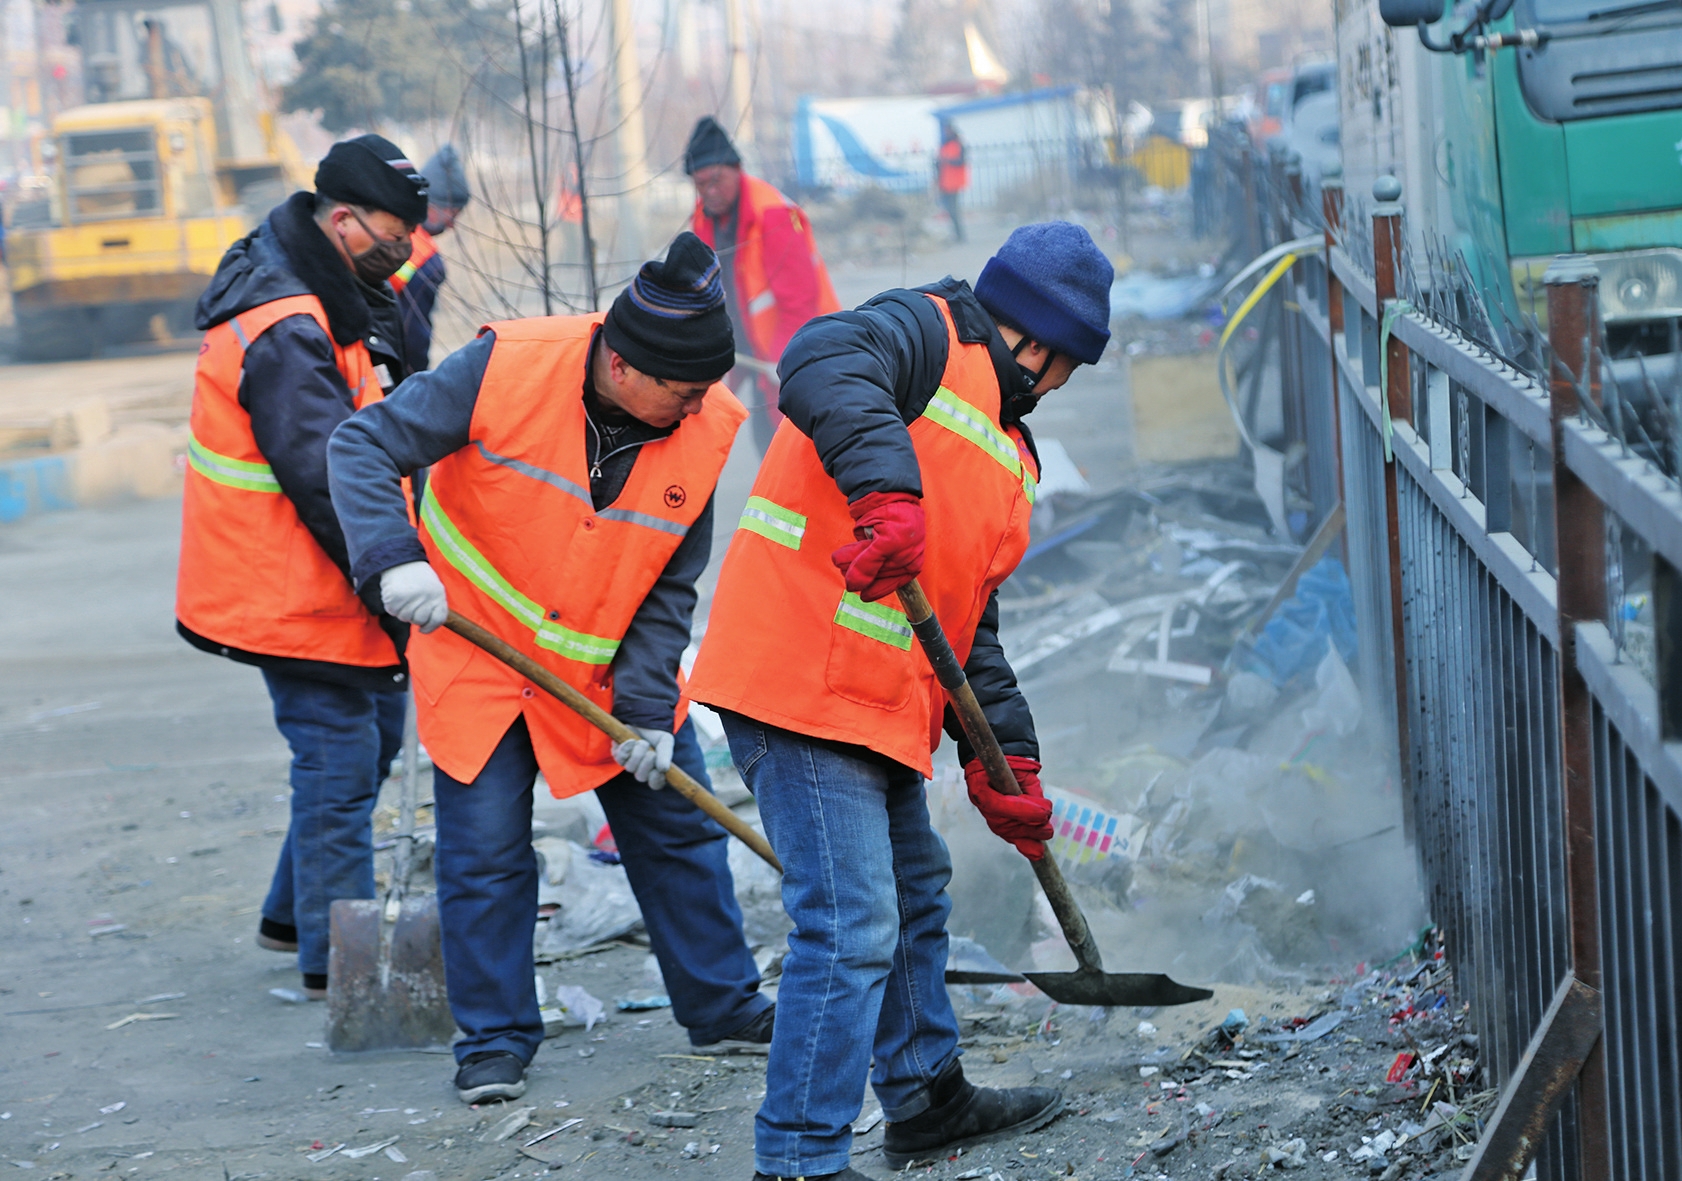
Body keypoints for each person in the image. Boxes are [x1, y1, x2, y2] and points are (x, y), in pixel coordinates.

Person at [690, 221, 1115, 1181]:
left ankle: (925, 1093)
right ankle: (798, 1158)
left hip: (875, 702)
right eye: (1064, 366)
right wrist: (887, 489)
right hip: (795, 678)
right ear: (1037, 341)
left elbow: (973, 626)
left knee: (916, 892)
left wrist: (1005, 758)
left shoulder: (1012, 456)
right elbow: (817, 355)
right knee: (849, 924)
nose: (1057, 387)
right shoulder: (923, 331)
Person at [327, 233, 774, 1105]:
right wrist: (392, 557)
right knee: (485, 854)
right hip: (478, 654)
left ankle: (723, 1007)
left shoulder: (706, 424)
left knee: (677, 829)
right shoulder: (507, 365)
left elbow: (667, 578)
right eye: (683, 390)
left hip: (604, 669)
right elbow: (361, 445)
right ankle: (493, 1039)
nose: (696, 407)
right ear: (624, 362)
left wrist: (648, 710)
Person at [175, 134, 430, 1000]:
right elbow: (326, 476)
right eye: (396, 231)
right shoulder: (287, 324)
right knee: (338, 754)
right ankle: (336, 963)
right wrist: (392, 578)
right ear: (345, 219)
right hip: (283, 584)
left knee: (373, 738)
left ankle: (294, 914)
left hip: (311, 575)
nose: (407, 247)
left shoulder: (337, 287)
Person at [686, 116, 841, 454]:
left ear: (736, 169)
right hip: (747, 353)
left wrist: (784, 360)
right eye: (700, 185)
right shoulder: (704, 216)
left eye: (716, 181)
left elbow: (799, 302)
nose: (709, 192)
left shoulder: (772, 216)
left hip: (795, 352)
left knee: (791, 448)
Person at [391, 144, 470, 372]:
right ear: (432, 205)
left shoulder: (384, 227)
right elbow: (414, 335)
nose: (452, 225)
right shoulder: (427, 261)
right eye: (452, 214)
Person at [936, 122, 969, 243]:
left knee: (953, 209)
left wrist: (948, 160)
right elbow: (938, 165)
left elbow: (961, 161)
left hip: (955, 182)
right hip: (945, 182)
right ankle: (956, 234)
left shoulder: (958, 145)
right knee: (949, 210)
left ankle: (960, 235)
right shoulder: (944, 146)